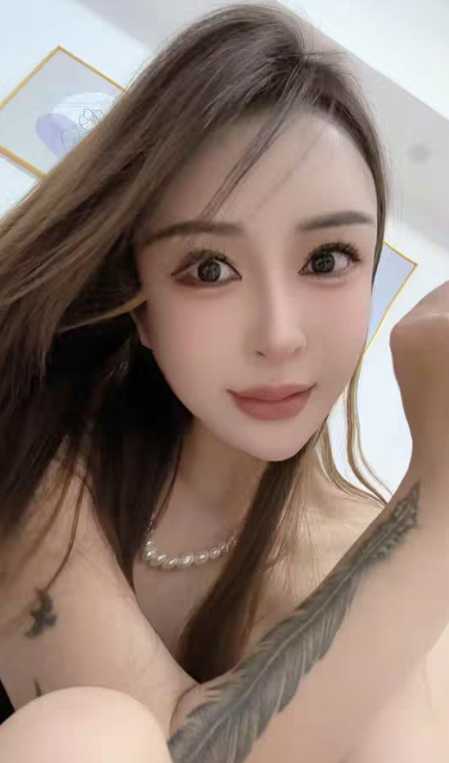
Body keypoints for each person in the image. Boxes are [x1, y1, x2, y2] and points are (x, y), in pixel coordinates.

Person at [1, 2, 449, 761]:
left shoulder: (354, 546)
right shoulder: (37, 438)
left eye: (326, 259)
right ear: (140, 304)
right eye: (208, 268)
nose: (279, 335)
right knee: (88, 731)